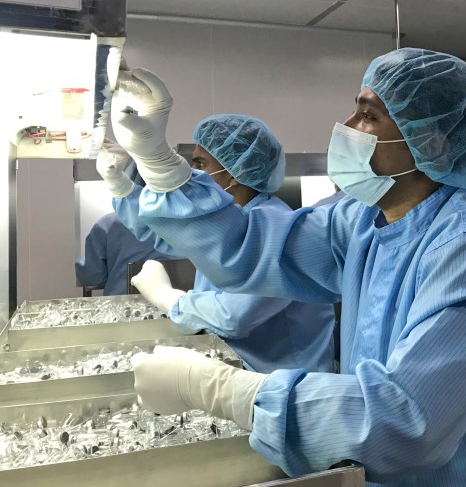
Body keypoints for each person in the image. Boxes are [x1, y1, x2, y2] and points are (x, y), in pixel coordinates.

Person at [109, 52, 466, 487]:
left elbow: (405, 421)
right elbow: (254, 247)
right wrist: (159, 164)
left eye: (369, 115)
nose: (347, 128)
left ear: (432, 142)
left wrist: (220, 391)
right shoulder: (367, 219)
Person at [99, 115, 336, 374]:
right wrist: (122, 186)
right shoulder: (231, 219)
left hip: (288, 379)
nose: (194, 173)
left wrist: (166, 297)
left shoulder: (275, 227)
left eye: (201, 164)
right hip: (248, 370)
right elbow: (166, 234)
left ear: (235, 173)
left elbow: (232, 317)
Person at [74, 211, 173, 296]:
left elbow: (92, 278)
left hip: (123, 308)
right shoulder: (183, 222)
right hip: (179, 306)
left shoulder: (107, 224)